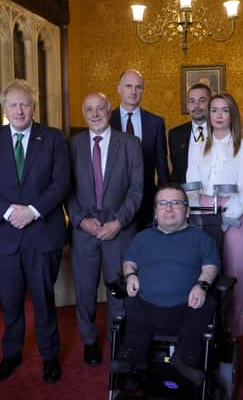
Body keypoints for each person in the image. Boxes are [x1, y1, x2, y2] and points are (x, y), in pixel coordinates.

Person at [0, 79, 70, 384]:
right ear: (4, 108)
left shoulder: (53, 139)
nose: (19, 110)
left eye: (24, 104)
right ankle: (11, 354)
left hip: (42, 234)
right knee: (10, 301)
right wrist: (10, 211)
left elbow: (61, 183)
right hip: (4, 236)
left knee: (43, 300)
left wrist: (33, 211)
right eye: (13, 104)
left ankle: (50, 356)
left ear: (33, 107)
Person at [110, 183, 220, 385]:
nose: (168, 208)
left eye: (176, 203)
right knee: (131, 299)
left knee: (209, 301)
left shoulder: (202, 238)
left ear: (187, 210)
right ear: (155, 212)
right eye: (163, 203)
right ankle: (132, 356)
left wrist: (202, 285)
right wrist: (131, 274)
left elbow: (210, 265)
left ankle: (184, 358)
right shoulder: (142, 238)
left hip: (186, 309)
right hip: (146, 308)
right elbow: (129, 261)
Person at [67, 93, 143, 366]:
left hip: (119, 231)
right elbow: (66, 189)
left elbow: (137, 190)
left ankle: (117, 339)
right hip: (84, 232)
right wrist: (81, 220)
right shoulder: (72, 144)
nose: (95, 113)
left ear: (110, 111)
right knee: (85, 292)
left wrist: (118, 222)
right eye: (89, 109)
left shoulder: (130, 144)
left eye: (100, 108)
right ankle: (89, 341)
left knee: (118, 291)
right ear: (83, 113)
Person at [189, 93, 243, 338]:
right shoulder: (198, 145)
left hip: (233, 214)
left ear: (232, 115)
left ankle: (231, 334)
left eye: (224, 110)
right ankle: (206, 328)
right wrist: (198, 215)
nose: (218, 115)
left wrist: (224, 221)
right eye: (214, 110)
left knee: (232, 272)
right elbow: (191, 182)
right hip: (203, 211)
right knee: (203, 269)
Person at [111, 69, 169, 228]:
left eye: (138, 87)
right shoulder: (107, 120)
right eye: (128, 86)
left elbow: (161, 165)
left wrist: (164, 201)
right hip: (114, 201)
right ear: (119, 88)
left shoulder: (155, 122)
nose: (133, 91)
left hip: (147, 200)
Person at [169, 83, 212, 184]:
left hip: (215, 195)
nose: (196, 106)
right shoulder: (175, 134)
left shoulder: (221, 130)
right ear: (187, 106)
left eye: (202, 101)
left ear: (211, 103)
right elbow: (176, 171)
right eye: (192, 101)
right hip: (186, 195)